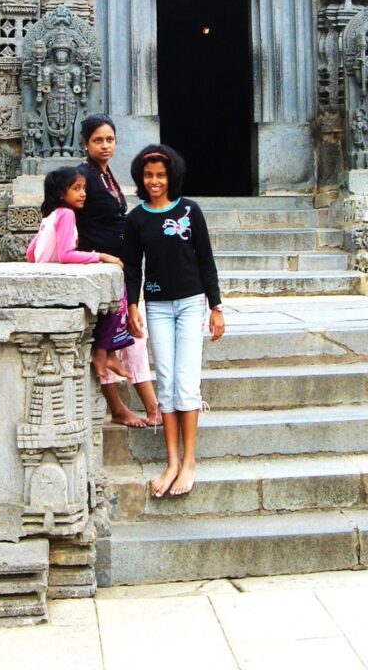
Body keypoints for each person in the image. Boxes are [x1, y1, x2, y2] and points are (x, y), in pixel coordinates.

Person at [124, 144, 225, 498]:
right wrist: (132, 306)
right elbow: (133, 267)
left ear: (171, 177)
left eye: (161, 175)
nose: (155, 181)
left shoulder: (189, 211)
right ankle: (171, 462)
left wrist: (216, 306)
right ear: (141, 178)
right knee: (165, 382)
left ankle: (189, 462)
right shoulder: (136, 219)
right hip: (156, 305)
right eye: (148, 175)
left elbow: (205, 259)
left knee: (187, 382)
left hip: (191, 303)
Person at [75, 114, 161, 428]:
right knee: (117, 339)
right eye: (98, 140)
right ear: (85, 143)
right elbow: (66, 215)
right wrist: (92, 255)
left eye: (110, 139)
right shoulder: (81, 176)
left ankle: (143, 407)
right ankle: (133, 408)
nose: (105, 145)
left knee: (122, 337)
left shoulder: (106, 175)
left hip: (119, 268)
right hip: (99, 269)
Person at [26, 166, 131, 381]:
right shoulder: (66, 214)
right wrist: (101, 256)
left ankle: (107, 353)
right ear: (61, 193)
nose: (83, 193)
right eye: (76, 188)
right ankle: (103, 351)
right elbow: (66, 254)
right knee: (119, 295)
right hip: (58, 283)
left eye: (83, 188)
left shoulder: (50, 216)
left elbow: (30, 253)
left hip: (44, 277)